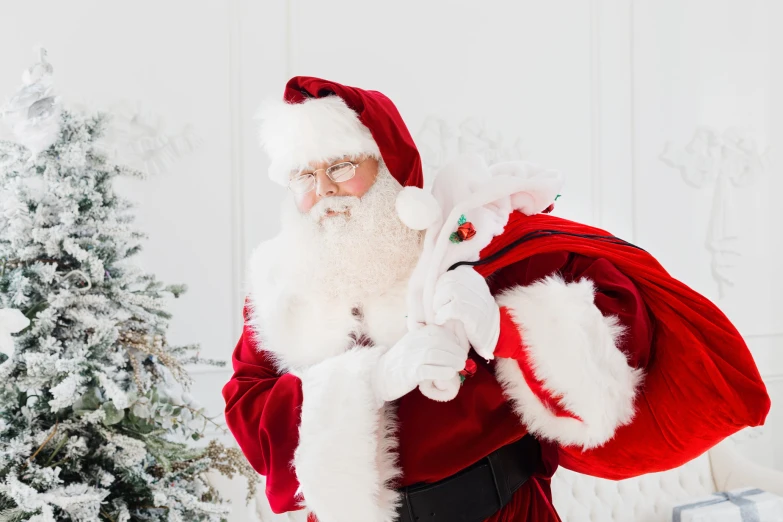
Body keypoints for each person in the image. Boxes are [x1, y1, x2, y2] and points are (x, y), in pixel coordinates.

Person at [222, 77, 770, 522]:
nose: (324, 191)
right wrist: (372, 379)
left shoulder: (476, 246)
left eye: (341, 166)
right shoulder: (282, 287)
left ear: (388, 167)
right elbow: (247, 406)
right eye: (304, 176)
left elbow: (625, 334)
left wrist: (504, 328)